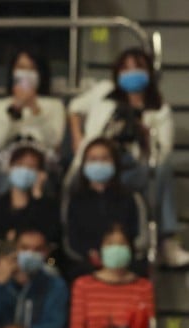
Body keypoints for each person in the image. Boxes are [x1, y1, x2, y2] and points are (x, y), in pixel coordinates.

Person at [67, 47, 189, 266]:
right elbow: (74, 108)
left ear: (149, 72)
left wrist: (142, 132)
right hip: (95, 162)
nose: (131, 73)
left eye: (138, 68)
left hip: (129, 169)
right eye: (126, 68)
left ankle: (166, 239)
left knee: (162, 171)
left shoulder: (159, 110)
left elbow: (163, 152)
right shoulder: (105, 92)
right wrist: (78, 138)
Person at [0, 50, 65, 192]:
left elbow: (53, 142)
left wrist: (35, 109)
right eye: (21, 68)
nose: (26, 73)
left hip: (42, 162)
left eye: (31, 68)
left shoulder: (54, 105)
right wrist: (15, 109)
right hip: (8, 163)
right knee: (4, 184)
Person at [69, 225, 154, 328]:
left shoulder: (144, 287)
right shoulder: (83, 285)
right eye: (110, 244)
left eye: (122, 244)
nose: (116, 249)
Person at [0, 147, 60, 274]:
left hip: (38, 266)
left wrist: (37, 197)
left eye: (32, 167)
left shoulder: (47, 206)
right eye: (20, 165)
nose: (25, 170)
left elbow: (49, 241)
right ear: (10, 168)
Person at [63, 138, 140, 272]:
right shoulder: (75, 200)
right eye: (93, 159)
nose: (99, 163)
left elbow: (138, 235)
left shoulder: (129, 198)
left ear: (114, 163)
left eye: (104, 159)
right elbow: (71, 239)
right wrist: (89, 254)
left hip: (125, 266)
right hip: (85, 267)